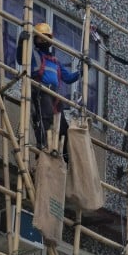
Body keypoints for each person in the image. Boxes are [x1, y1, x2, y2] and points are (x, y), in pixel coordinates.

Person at [19, 22, 80, 157]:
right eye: (41, 38)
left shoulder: (55, 61)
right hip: (41, 91)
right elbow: (20, 59)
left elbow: (68, 78)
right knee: (44, 119)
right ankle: (44, 148)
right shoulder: (34, 55)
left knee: (63, 126)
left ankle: (65, 156)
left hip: (54, 96)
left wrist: (82, 71)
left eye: (46, 38)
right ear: (36, 40)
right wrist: (21, 43)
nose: (44, 40)